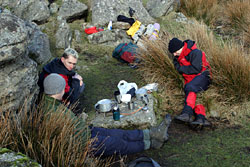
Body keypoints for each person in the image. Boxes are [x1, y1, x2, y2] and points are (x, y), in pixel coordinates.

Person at [41, 73, 172, 156]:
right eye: (64, 87)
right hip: (84, 143)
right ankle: (150, 143)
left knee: (118, 133)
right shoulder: (52, 111)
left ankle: (152, 133)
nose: (65, 89)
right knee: (118, 143)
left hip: (85, 131)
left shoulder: (52, 102)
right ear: (59, 89)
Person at [168, 38, 211, 126]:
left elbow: (196, 69)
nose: (174, 54)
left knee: (190, 87)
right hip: (193, 80)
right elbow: (176, 65)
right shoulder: (177, 56)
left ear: (182, 47)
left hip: (204, 76)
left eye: (176, 51)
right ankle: (201, 119)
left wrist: (181, 69)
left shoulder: (195, 52)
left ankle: (187, 113)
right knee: (195, 94)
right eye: (173, 53)